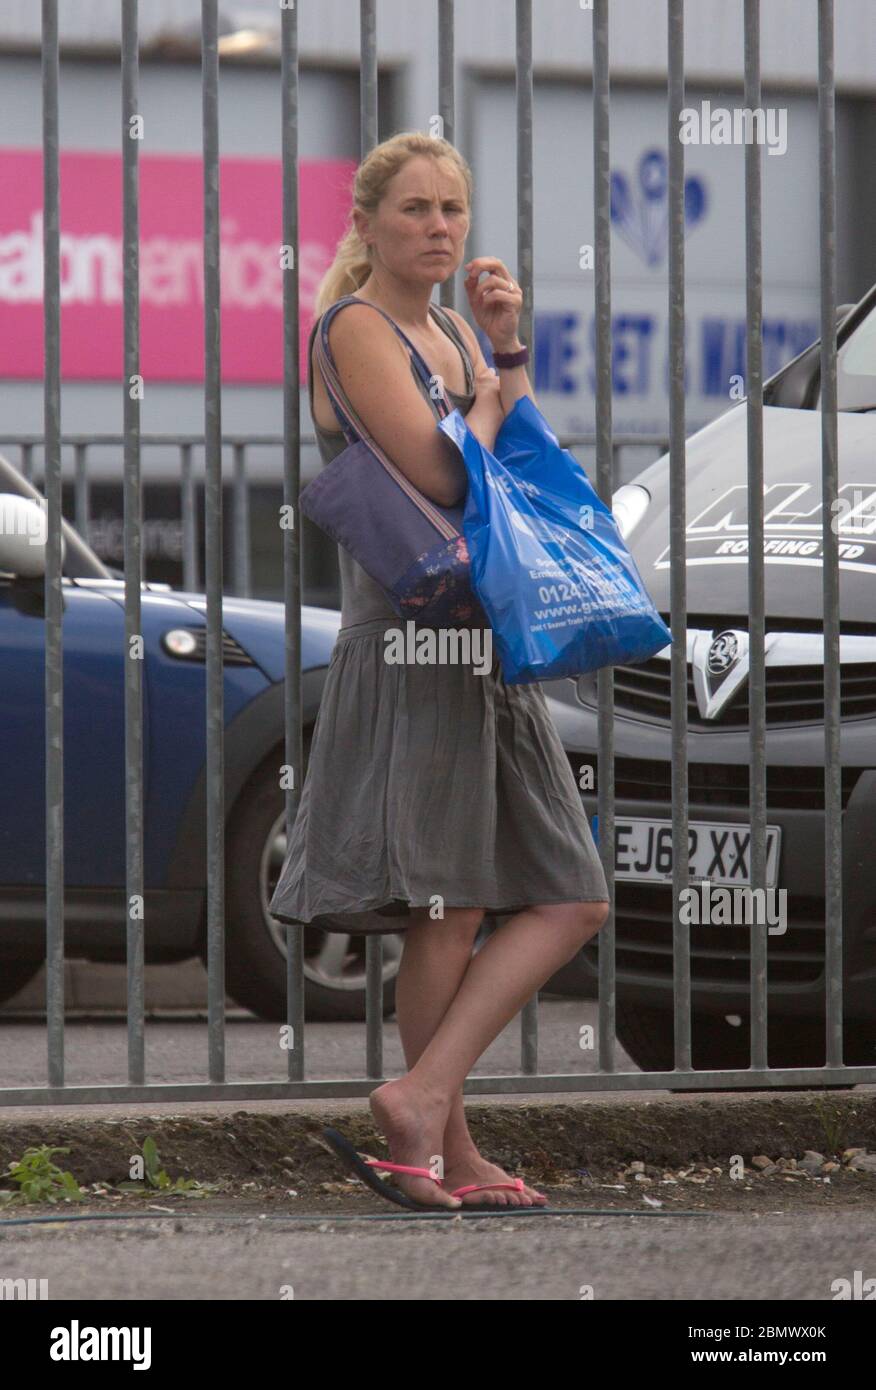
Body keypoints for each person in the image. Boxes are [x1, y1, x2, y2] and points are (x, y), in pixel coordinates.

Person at [269, 131, 609, 1210]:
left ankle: (422, 1104)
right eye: (414, 209)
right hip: (414, 647)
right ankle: (440, 1145)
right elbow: (443, 470)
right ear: (366, 223)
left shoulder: (456, 329)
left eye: (452, 211)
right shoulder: (355, 328)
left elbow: (510, 461)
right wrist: (495, 394)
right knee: (447, 908)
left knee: (569, 893)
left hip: (491, 641)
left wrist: (503, 350)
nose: (438, 228)